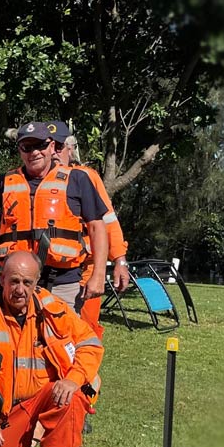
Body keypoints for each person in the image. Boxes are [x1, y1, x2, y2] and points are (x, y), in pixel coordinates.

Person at [0, 252, 104, 447]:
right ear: (2, 278)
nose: (20, 289)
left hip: (45, 399)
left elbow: (90, 343)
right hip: (7, 411)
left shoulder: (52, 307)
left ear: (36, 283)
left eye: (27, 282)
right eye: (14, 281)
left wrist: (73, 379)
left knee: (72, 394)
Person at [0, 121, 111, 317]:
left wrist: (99, 275)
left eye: (40, 145)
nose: (34, 152)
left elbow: (97, 228)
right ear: (20, 150)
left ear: (51, 146)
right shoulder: (4, 183)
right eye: (27, 147)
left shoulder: (77, 179)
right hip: (17, 285)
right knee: (17, 341)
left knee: (63, 341)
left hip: (63, 282)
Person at [56, 134, 131, 338]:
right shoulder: (34, 181)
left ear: (69, 150)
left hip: (85, 271)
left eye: (59, 147)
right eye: (49, 146)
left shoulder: (86, 177)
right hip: (50, 272)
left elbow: (108, 222)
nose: (53, 152)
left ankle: (87, 370)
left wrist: (120, 261)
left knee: (85, 333)